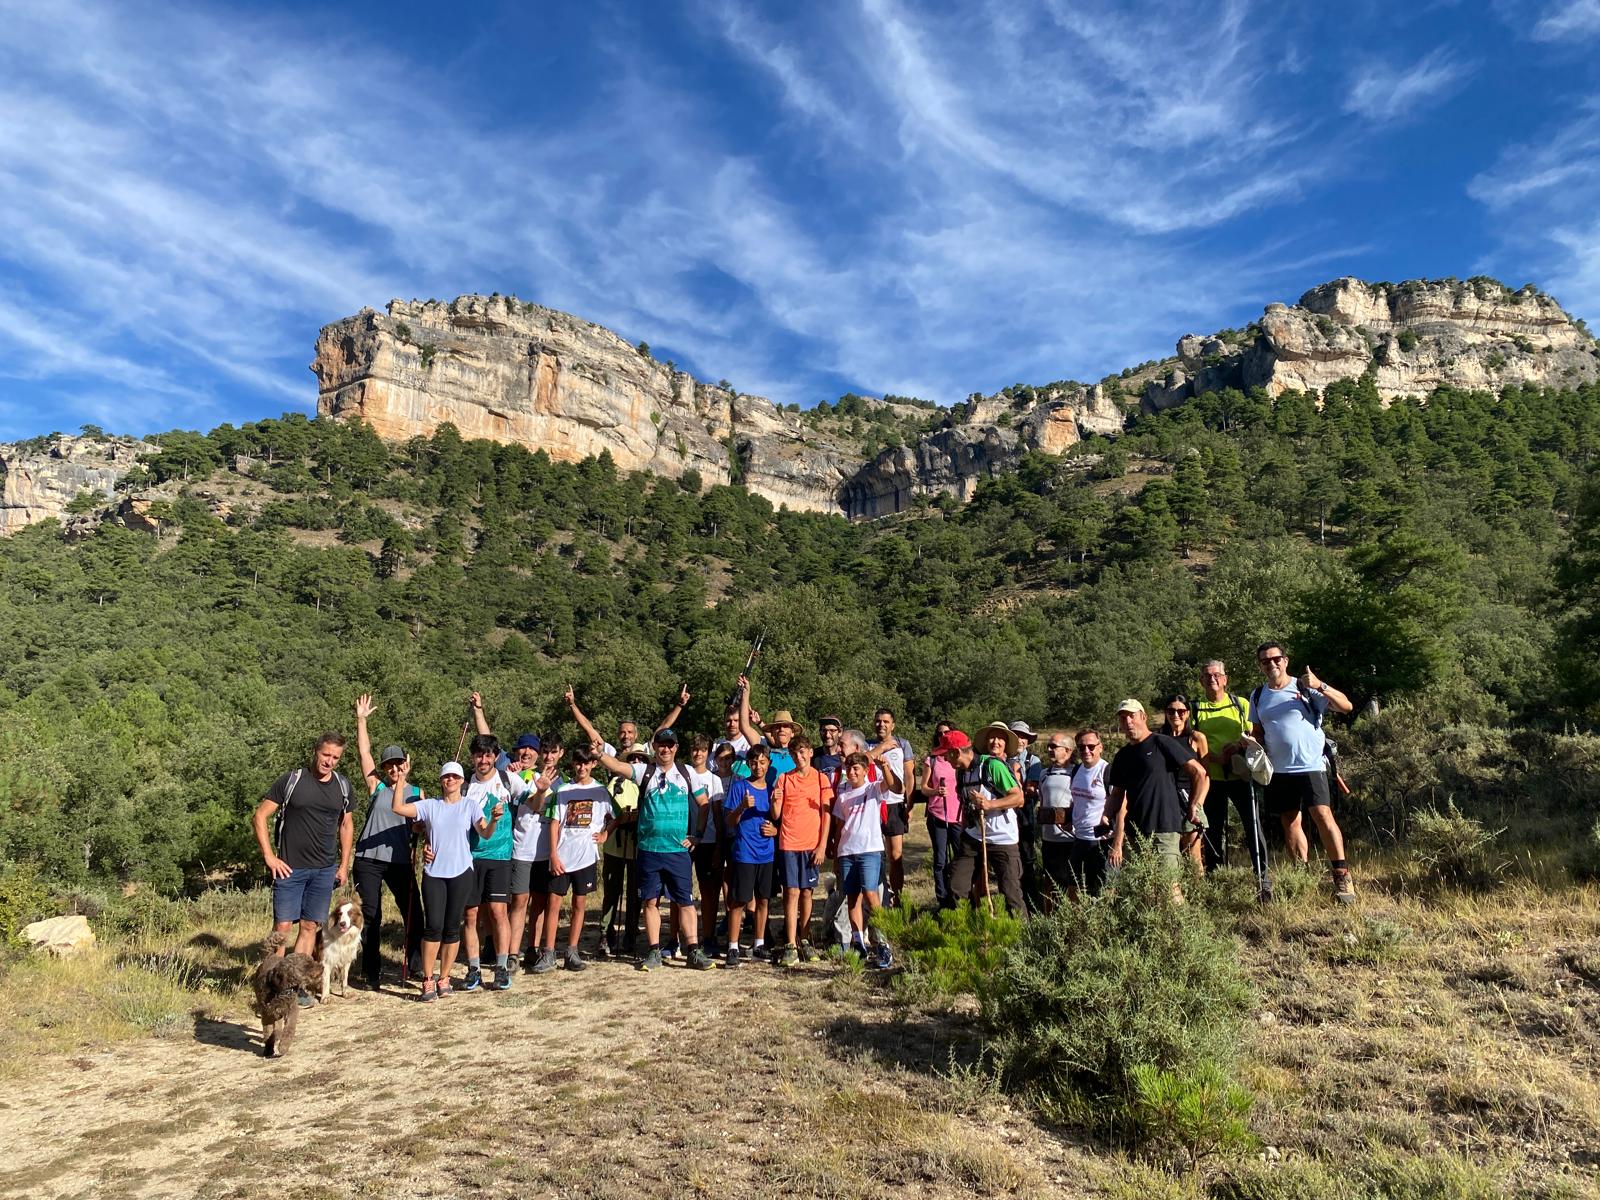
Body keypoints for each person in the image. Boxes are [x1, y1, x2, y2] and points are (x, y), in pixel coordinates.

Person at [572, 688, 714, 971]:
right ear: (656, 747)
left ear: (675, 748)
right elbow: (617, 766)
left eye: (669, 745)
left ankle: (694, 950)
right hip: (648, 849)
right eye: (660, 744)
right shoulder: (644, 771)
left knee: (685, 902)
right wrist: (599, 756)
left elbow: (704, 803)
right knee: (650, 902)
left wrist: (696, 835)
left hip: (677, 850)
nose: (665, 749)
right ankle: (652, 950)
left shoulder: (686, 773)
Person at [1250, 642, 1356, 904]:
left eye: (1276, 659)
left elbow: (1346, 706)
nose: (1271, 664)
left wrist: (1320, 685)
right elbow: (1259, 731)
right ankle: (1302, 876)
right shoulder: (1257, 695)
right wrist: (1250, 742)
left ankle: (1341, 874)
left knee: (1322, 814)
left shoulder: (1304, 686)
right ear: (1260, 666)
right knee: (1290, 820)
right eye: (1265, 661)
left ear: (1285, 660)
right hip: (1279, 771)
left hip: (1311, 766)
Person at [253, 731, 354, 1003]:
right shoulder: (292, 780)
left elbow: (346, 825)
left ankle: (294, 988)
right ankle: (271, 986)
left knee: (310, 927)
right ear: (315, 751)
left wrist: (344, 865)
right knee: (282, 928)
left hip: (324, 870)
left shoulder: (342, 786)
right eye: (325, 755)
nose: (329, 761)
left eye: (335, 757)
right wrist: (269, 856)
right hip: (290, 868)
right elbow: (260, 816)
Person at [389, 761, 502, 1000]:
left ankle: (445, 978)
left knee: (452, 928)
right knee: (434, 928)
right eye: (446, 777)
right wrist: (401, 778)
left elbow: (485, 833)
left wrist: (493, 820)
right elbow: (398, 808)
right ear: (441, 781)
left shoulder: (470, 806)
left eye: (455, 777)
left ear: (462, 781)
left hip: (461, 872)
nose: (450, 780)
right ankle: (428, 979)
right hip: (434, 873)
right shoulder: (430, 805)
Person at [351, 695, 426, 987]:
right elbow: (363, 752)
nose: (394, 769)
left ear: (407, 763)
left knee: (415, 914)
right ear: (384, 769)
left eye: (399, 764)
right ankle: (371, 972)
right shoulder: (377, 786)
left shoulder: (418, 792)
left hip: (400, 861)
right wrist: (361, 720)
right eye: (389, 766)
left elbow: (425, 824)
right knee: (371, 915)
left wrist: (421, 830)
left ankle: (417, 965)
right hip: (368, 859)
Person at [461, 693, 533, 992]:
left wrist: (541, 790)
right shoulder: (464, 785)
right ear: (473, 757)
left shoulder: (508, 779)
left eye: (488, 755)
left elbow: (535, 802)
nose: (483, 759)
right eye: (479, 755)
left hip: (501, 857)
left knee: (498, 913)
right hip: (469, 858)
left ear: (496, 756)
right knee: (471, 915)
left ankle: (502, 968)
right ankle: (474, 969)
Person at [1105, 700, 1208, 902]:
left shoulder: (1161, 742)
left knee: (1169, 888)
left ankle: (1183, 931)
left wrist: (1193, 806)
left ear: (1143, 717)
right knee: (1139, 892)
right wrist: (1106, 815)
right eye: (1123, 717)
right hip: (1135, 834)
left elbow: (1199, 772)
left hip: (1164, 828)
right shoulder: (1123, 756)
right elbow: (1117, 794)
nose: (1127, 721)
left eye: (1132, 715)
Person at [1193, 660, 1271, 901]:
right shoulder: (1195, 709)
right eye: (1207, 676)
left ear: (1225, 679)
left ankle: (1263, 881)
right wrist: (1211, 757)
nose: (1212, 679)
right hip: (1210, 779)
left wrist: (1236, 746)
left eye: (1217, 675)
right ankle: (1216, 881)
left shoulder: (1241, 704)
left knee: (1253, 827)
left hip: (1241, 776)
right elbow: (1190, 742)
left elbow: (1252, 735)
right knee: (1212, 832)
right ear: (1201, 681)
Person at [530, 746, 613, 972]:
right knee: (554, 904)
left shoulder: (601, 791)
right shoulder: (564, 790)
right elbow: (555, 823)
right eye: (578, 763)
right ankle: (548, 952)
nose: (582, 767)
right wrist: (554, 855)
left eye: (586, 763)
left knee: (579, 904)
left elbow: (616, 814)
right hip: (562, 856)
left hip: (586, 857)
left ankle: (572, 951)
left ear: (593, 764)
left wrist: (606, 833)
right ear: (573, 764)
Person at [940, 725, 1026, 915]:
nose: (944, 759)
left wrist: (989, 805)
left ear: (955, 752)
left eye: (946, 754)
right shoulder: (961, 772)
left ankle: (1022, 939)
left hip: (1002, 839)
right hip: (973, 838)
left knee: (1010, 893)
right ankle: (964, 930)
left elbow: (1018, 798)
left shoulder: (992, 766)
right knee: (956, 886)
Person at [830, 746, 901, 968]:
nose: (852, 773)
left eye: (856, 769)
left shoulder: (872, 789)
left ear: (864, 770)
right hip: (847, 851)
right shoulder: (843, 796)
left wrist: (885, 768)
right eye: (848, 768)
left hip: (869, 850)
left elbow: (892, 785)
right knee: (852, 898)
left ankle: (882, 943)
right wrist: (835, 853)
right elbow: (840, 826)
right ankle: (858, 942)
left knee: (871, 894)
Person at [771, 733, 834, 966]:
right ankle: (790, 943)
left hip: (811, 844)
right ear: (791, 755)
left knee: (807, 891)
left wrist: (822, 845)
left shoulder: (820, 779)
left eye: (803, 752)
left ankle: (805, 939)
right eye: (795, 753)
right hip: (788, 842)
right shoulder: (784, 779)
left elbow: (826, 814)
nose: (799, 757)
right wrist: (775, 801)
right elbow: (776, 815)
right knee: (792, 892)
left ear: (810, 753)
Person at [722, 745, 776, 967]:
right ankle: (733, 947)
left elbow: (779, 820)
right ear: (748, 764)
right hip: (745, 851)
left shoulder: (773, 790)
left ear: (768, 764)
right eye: (754, 763)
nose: (758, 766)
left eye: (762, 762)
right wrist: (742, 806)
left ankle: (759, 945)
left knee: (763, 899)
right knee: (739, 901)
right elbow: (729, 822)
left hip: (767, 852)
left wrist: (776, 831)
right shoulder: (740, 787)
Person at [507, 735, 554, 979]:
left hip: (547, 851)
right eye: (521, 749)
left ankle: (532, 949)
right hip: (522, 849)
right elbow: (535, 805)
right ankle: (512, 954)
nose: (526, 754)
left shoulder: (560, 780)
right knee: (519, 901)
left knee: (540, 902)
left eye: (532, 750)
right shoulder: (513, 776)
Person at [597, 743, 644, 958]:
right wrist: (620, 818)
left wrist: (634, 818)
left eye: (641, 759)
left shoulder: (647, 782)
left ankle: (631, 934)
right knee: (612, 892)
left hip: (637, 845)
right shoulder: (615, 782)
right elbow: (606, 812)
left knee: (635, 893)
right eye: (633, 758)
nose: (636, 762)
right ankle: (606, 933)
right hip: (615, 844)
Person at [1161, 697, 1210, 871]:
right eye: (1171, 711)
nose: (1176, 715)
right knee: (1168, 855)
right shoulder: (1159, 738)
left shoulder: (1196, 738)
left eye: (1181, 711)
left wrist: (1197, 804)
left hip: (1190, 799)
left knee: (1193, 855)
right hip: (1166, 802)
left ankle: (1198, 895)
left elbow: (1205, 775)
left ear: (1188, 714)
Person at [871, 708, 914, 908]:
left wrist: (910, 803)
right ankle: (878, 896)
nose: (882, 724)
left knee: (895, 855)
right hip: (872, 805)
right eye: (878, 721)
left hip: (895, 805)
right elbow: (863, 760)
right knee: (874, 854)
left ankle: (898, 897)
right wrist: (883, 747)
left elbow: (909, 776)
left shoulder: (903, 744)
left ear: (893, 724)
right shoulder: (867, 744)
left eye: (886, 721)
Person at [920, 722, 962, 909]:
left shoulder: (960, 757)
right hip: (938, 814)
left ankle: (961, 897)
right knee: (940, 860)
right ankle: (943, 901)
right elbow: (924, 788)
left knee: (961, 857)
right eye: (939, 733)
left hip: (959, 815)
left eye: (947, 732)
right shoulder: (932, 760)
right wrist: (936, 791)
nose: (943, 736)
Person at [1034, 730, 1077, 911]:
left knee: (1072, 884)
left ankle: (1073, 922)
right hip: (1049, 839)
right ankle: (1050, 920)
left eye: (1054, 746)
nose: (1050, 749)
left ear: (1067, 750)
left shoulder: (1077, 773)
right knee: (1050, 882)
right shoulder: (1044, 773)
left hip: (1071, 839)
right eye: (1049, 746)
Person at [1067, 728, 1112, 898]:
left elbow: (1122, 807)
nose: (1087, 750)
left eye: (1091, 746)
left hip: (1102, 841)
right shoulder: (1077, 770)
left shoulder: (1106, 771)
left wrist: (1118, 844)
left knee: (1104, 891)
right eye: (1082, 747)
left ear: (1100, 747)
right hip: (1079, 839)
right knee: (1074, 889)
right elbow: (1077, 801)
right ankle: (1077, 924)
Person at [1009, 720, 1044, 914]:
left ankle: (1030, 903)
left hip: (1025, 817)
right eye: (1015, 735)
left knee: (1027, 859)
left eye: (1023, 736)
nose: (1019, 740)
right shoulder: (1000, 759)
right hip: (1006, 818)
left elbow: (1031, 790)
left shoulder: (1033, 761)